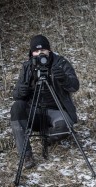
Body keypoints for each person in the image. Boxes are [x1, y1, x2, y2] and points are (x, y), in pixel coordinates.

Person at [10, 34, 79, 169]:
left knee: (64, 127)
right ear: (31, 53)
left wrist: (64, 78)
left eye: (43, 50)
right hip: (34, 110)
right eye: (36, 51)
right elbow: (16, 94)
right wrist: (21, 92)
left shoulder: (61, 63)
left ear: (49, 50)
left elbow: (75, 86)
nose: (40, 54)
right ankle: (26, 155)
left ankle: (48, 136)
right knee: (16, 107)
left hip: (57, 109)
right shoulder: (27, 66)